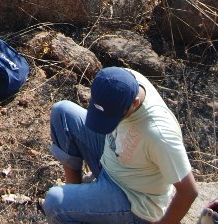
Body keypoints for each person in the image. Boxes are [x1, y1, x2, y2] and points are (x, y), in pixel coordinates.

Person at [43, 66, 199, 224]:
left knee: (54, 203)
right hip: (112, 159)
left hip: (132, 197)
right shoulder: (121, 80)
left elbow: (189, 192)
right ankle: (77, 200)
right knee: (62, 112)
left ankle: (74, 207)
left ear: (135, 103)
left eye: (111, 118)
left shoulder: (159, 134)